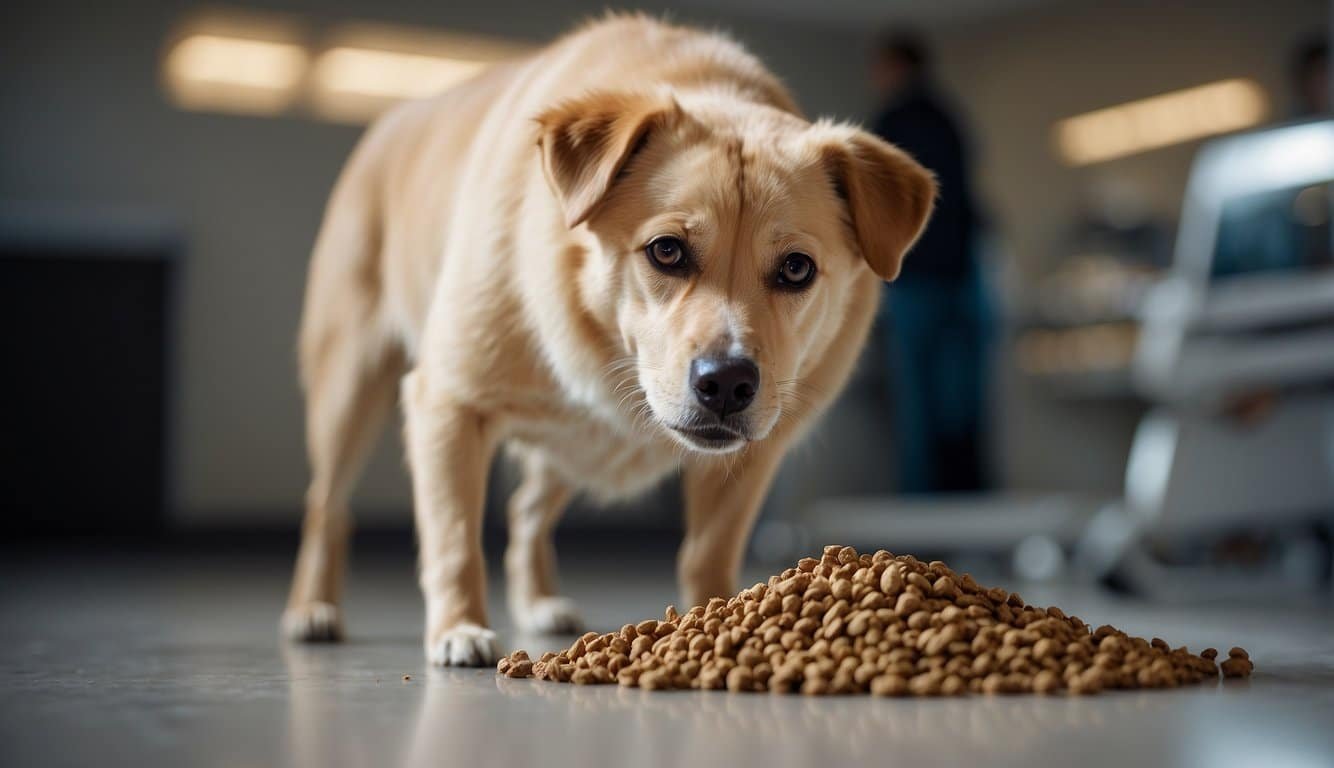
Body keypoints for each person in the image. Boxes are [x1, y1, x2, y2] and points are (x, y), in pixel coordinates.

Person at [870, 30, 990, 494]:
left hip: (916, 279)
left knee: (917, 407)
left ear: (896, 67)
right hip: (961, 279)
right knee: (958, 405)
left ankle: (923, 513)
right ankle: (969, 502)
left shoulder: (893, 123)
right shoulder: (950, 119)